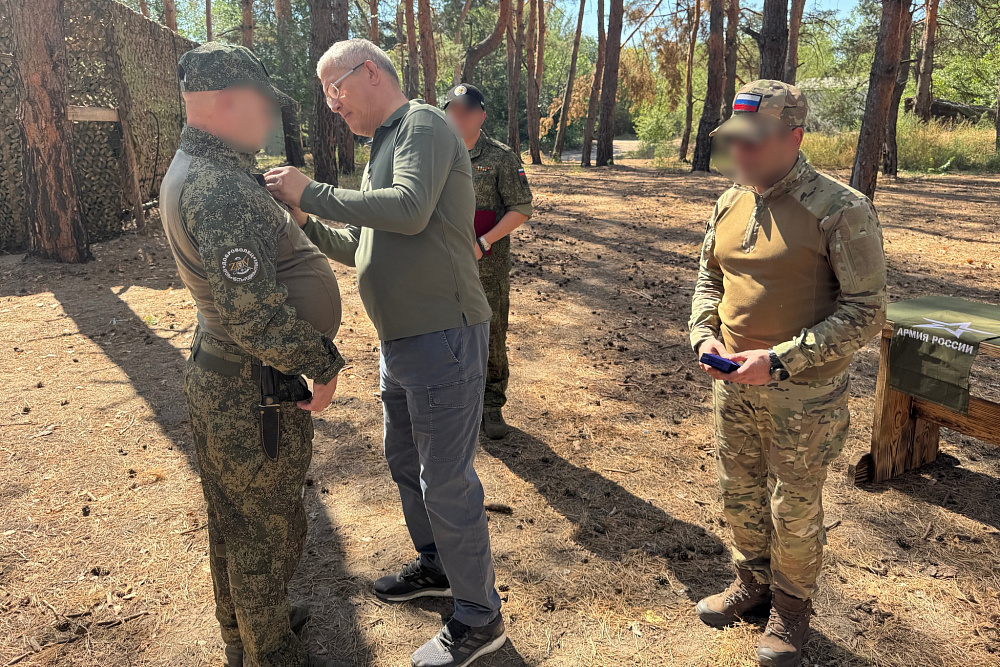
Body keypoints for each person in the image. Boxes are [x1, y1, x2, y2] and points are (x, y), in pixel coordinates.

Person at [264, 39, 505, 667]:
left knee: (445, 478)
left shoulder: (421, 123)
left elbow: (407, 209)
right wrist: (304, 220)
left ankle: (481, 619)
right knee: (406, 460)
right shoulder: (385, 144)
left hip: (442, 336)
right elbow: (367, 244)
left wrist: (310, 190)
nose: (330, 103)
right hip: (404, 341)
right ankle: (437, 566)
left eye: (334, 88)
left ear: (370, 72)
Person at [159, 43, 348, 667]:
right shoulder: (217, 187)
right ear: (226, 102)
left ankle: (244, 629)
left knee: (234, 518)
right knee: (265, 530)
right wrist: (320, 365)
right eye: (263, 105)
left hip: (228, 377)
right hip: (251, 389)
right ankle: (273, 653)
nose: (270, 118)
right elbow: (253, 313)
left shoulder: (204, 167)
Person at [688, 80, 887, 667]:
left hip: (804, 397)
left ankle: (792, 612)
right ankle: (752, 583)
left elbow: (867, 312)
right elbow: (709, 280)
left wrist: (778, 361)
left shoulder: (840, 209)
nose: (740, 156)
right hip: (733, 385)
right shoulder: (731, 200)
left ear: (794, 137)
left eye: (753, 143)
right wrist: (703, 333)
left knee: (793, 506)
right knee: (738, 491)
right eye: (734, 143)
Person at [442, 83, 533, 439]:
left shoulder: (500, 158)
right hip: (444, 265)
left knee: (491, 334)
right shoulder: (437, 153)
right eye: (453, 109)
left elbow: (521, 207)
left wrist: (485, 240)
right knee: (447, 333)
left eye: (467, 110)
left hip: (486, 267)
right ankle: (457, 399)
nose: (459, 117)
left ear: (481, 115)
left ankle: (492, 404)